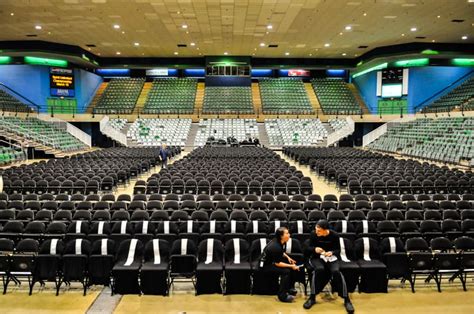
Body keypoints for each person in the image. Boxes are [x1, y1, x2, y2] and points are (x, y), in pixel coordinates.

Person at [304, 220, 354, 313]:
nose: (316, 232)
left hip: (331, 257)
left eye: (319, 230)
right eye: (316, 230)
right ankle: (312, 297)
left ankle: (346, 299)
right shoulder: (313, 234)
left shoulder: (334, 235)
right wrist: (315, 249)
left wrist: (332, 252)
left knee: (336, 272)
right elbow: (307, 249)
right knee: (319, 269)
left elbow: (338, 250)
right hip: (317, 257)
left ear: (325, 230)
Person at [260, 227, 301, 303]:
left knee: (291, 264)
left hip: (271, 261)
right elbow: (278, 264)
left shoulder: (279, 241)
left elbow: (281, 252)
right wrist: (292, 266)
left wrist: (288, 258)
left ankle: (289, 288)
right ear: (281, 236)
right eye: (287, 233)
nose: (289, 235)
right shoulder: (275, 246)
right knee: (286, 271)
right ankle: (282, 296)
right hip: (265, 266)